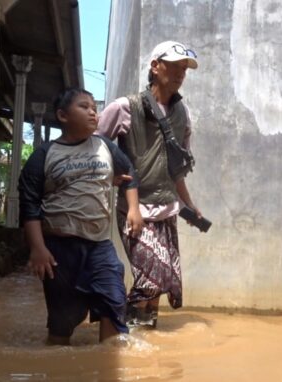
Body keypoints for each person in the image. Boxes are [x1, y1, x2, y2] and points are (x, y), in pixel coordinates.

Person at [18, 88, 144, 345]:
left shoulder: (104, 147)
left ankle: (109, 357)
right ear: (63, 115)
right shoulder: (44, 155)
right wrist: (38, 248)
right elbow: (29, 204)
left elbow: (128, 170)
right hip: (59, 249)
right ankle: (57, 363)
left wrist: (134, 208)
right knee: (62, 320)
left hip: (99, 245)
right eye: (84, 107)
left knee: (113, 300)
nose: (93, 112)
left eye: (94, 108)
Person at [97, 41, 201, 328]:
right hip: (135, 209)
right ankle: (116, 329)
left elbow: (177, 170)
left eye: (184, 68)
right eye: (175, 65)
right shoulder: (124, 107)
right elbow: (94, 148)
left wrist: (190, 206)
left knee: (161, 282)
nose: (181, 72)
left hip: (167, 210)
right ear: (156, 67)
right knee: (150, 278)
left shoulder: (183, 114)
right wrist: (110, 175)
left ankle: (144, 338)